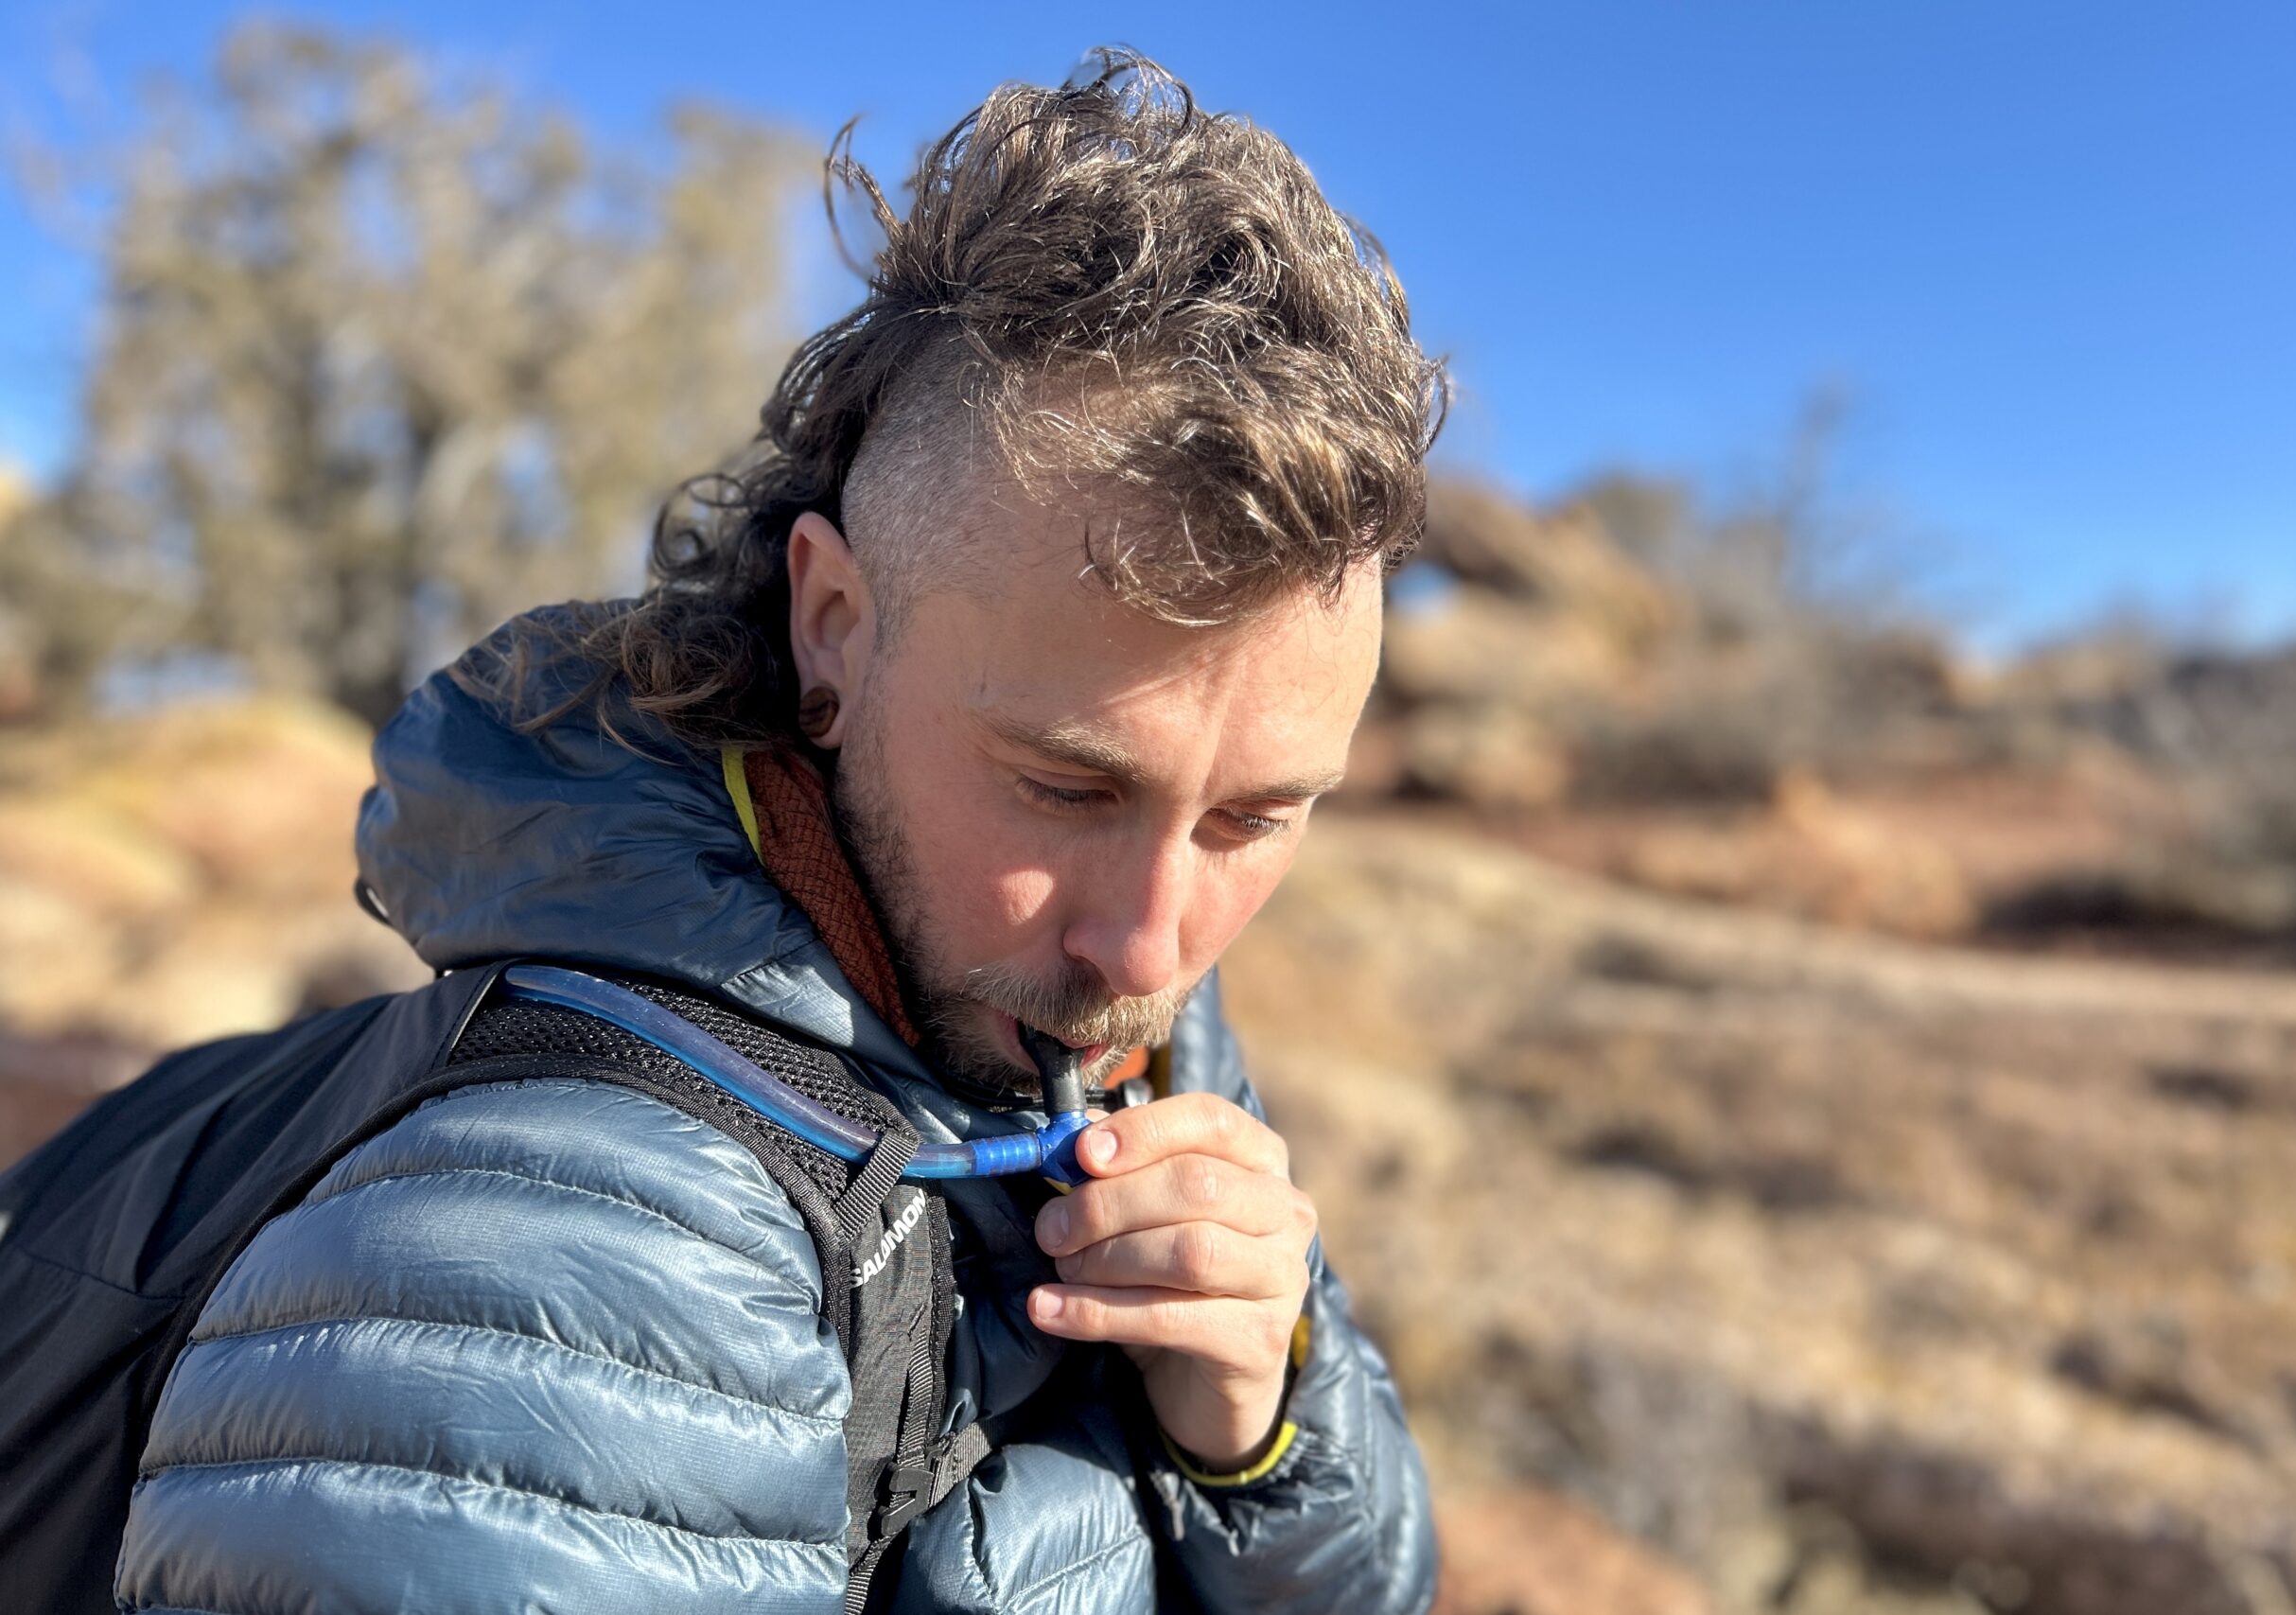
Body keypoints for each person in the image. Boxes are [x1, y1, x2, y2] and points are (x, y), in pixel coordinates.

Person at [80, 50, 1442, 1613]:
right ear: (833, 628)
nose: (1149, 942)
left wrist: (1255, 1438)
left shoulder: (1122, 1028)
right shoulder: (553, 1260)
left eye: (1255, 820)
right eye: (1067, 786)